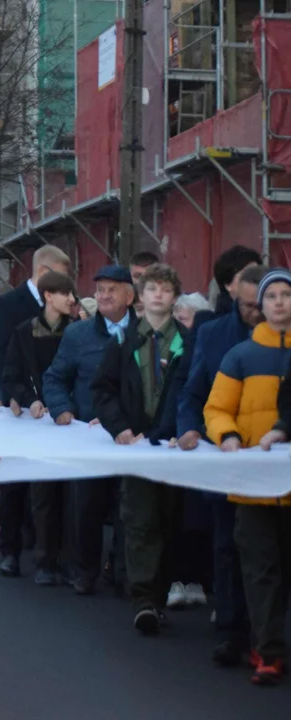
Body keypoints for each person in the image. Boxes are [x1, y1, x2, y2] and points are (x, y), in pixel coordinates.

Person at [176, 264, 267, 666]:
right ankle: (230, 630)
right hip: (225, 454)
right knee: (227, 544)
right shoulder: (212, 334)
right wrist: (187, 428)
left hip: (271, 461)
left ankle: (268, 633)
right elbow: (192, 390)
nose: (253, 312)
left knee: (269, 553)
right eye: (245, 305)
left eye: (258, 305)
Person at [205, 268, 291, 685]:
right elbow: (216, 409)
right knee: (259, 571)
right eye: (271, 295)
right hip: (253, 486)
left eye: (285, 295)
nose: (278, 302)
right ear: (260, 304)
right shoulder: (240, 355)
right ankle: (268, 651)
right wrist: (230, 436)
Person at [91, 263, 186, 636]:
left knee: (169, 520)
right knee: (139, 519)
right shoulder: (123, 341)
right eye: (151, 289)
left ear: (175, 297)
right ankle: (144, 599)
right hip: (135, 445)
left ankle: (159, 596)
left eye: (165, 289)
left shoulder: (187, 342)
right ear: (140, 298)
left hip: (174, 447)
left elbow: (195, 390)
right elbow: (103, 388)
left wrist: (184, 429)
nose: (158, 294)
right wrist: (119, 426)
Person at [43, 264, 136, 595]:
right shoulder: (78, 334)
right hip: (88, 436)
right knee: (85, 508)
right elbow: (54, 377)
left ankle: (124, 573)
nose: (105, 295)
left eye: (113, 289)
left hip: (133, 438)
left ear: (130, 294)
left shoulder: (146, 332)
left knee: (130, 509)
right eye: (100, 290)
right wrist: (62, 408)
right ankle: (85, 570)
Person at [0, 270, 76, 582]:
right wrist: (28, 399)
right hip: (29, 420)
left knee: (51, 492)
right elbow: (11, 375)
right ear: (48, 296)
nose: (71, 299)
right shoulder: (24, 331)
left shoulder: (76, 330)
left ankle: (47, 560)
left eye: (71, 293)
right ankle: (10, 552)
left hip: (65, 420)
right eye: (65, 293)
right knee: (15, 486)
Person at [0, 245, 72, 412]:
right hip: (23, 406)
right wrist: (15, 395)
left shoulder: (63, 307)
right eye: (59, 277)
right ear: (42, 271)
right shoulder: (6, 305)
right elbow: (0, 355)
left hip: (59, 401)